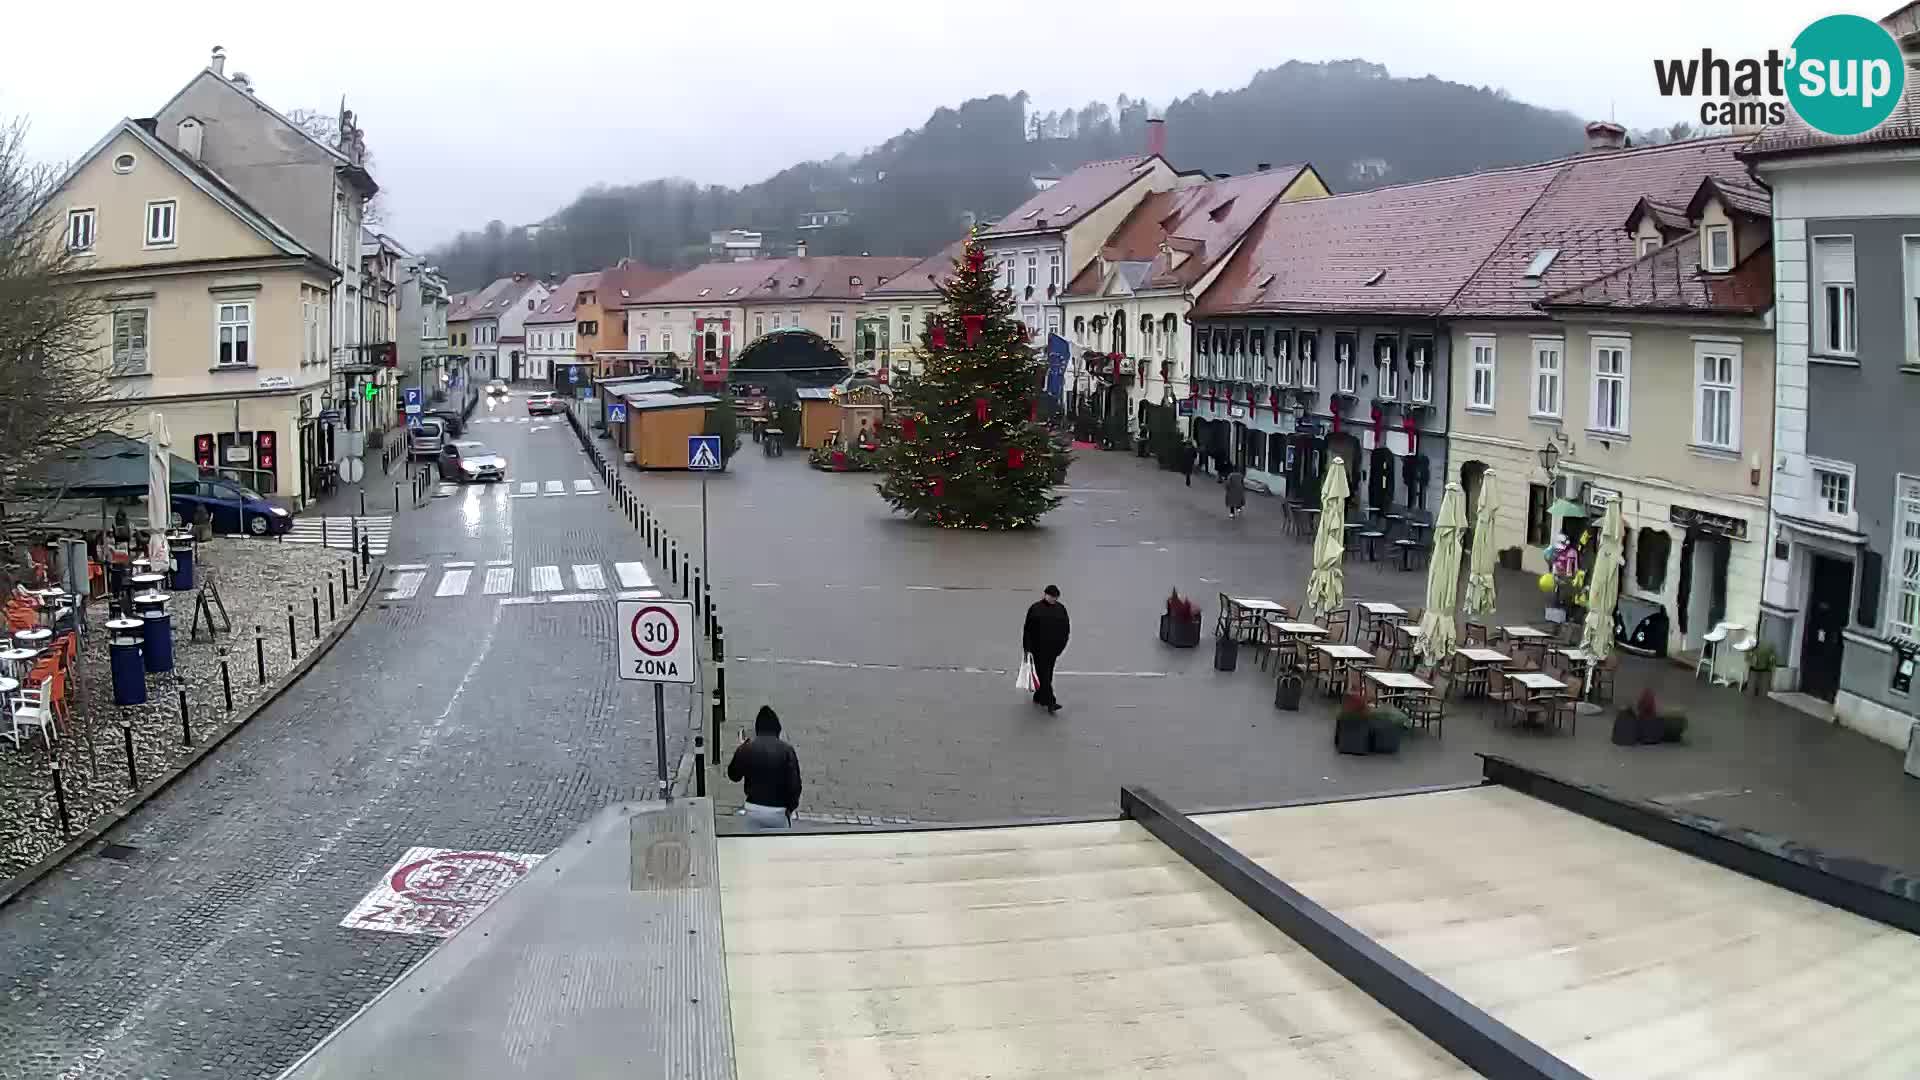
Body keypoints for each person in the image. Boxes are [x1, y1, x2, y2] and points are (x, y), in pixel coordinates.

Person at [727, 706, 803, 829]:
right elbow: (795, 786)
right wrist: (789, 808)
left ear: (758, 729)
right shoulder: (787, 750)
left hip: (753, 808)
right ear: (777, 728)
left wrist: (741, 748)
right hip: (779, 811)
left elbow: (734, 775)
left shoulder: (747, 748)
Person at [1021, 585, 1071, 713]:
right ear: (1045, 594)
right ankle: (1051, 702)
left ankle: (1039, 696)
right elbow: (1028, 629)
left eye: (1056, 597)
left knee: (1047, 675)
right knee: (1044, 675)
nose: (1054, 599)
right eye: (1052, 596)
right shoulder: (1035, 609)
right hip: (1038, 649)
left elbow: (1066, 629)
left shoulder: (1060, 609)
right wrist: (1027, 648)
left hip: (1053, 650)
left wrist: (1061, 646)